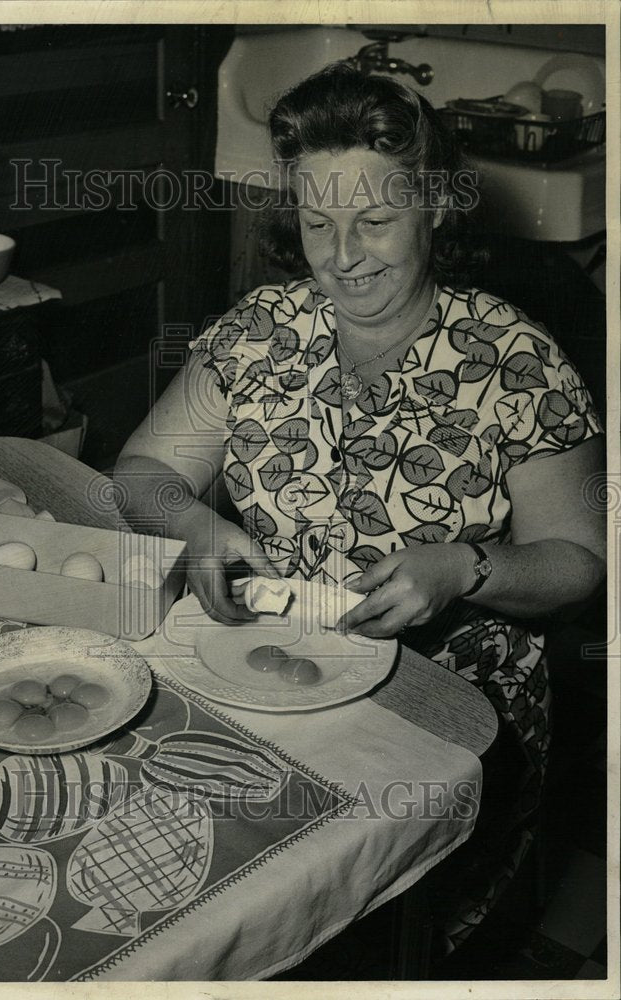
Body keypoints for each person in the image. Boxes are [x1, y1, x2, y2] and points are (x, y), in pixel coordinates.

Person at [114, 65, 605, 953]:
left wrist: (466, 566)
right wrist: (196, 525)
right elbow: (144, 468)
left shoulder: (515, 359)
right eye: (317, 223)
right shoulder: (260, 331)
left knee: (366, 933)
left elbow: (578, 561)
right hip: (266, 672)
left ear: (436, 209)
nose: (343, 255)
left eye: (376, 221)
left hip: (446, 711)